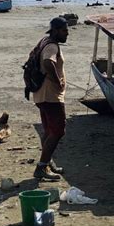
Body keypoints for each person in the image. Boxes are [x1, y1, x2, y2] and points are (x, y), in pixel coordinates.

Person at [33, 17, 69, 181]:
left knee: (48, 130)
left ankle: (47, 162)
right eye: (64, 30)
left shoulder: (44, 41)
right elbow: (48, 63)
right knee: (58, 130)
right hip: (50, 96)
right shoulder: (52, 46)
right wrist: (58, 80)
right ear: (55, 30)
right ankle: (41, 166)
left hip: (41, 94)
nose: (67, 34)